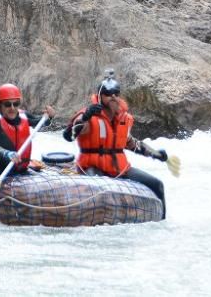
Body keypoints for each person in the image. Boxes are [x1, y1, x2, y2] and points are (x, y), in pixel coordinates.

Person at [63, 70, 168, 218]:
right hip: (92, 167)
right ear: (100, 96)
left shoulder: (124, 118)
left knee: (158, 184)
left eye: (116, 93)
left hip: (120, 168)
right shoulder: (87, 115)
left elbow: (131, 143)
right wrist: (86, 117)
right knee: (98, 190)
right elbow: (69, 135)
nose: (113, 96)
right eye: (108, 93)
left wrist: (155, 154)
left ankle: (162, 222)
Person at [0, 83, 55, 222]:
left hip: (18, 163)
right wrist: (6, 153)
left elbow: (41, 123)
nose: (12, 108)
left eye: (16, 103)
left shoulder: (23, 116)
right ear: (0, 105)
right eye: (8, 104)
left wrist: (48, 117)